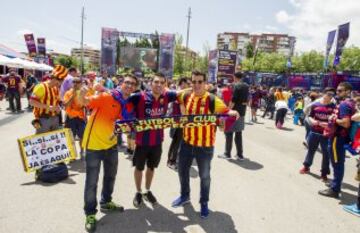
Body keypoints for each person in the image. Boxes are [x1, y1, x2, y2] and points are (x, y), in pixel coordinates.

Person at [172, 70, 239, 219]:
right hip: (187, 142)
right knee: (182, 171)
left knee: (205, 176)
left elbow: (227, 115)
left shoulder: (213, 100)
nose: (196, 85)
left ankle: (204, 202)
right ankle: (184, 196)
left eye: (199, 82)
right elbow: (172, 94)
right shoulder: (185, 95)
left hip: (205, 146)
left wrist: (229, 117)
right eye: (193, 82)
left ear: (205, 83)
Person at [79, 74, 138, 232]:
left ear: (135, 87)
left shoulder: (128, 105)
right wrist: (81, 93)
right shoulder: (107, 96)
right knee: (92, 182)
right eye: (127, 82)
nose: (129, 86)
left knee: (110, 176)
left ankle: (106, 202)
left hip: (111, 145)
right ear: (121, 83)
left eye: (132, 84)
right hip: (94, 146)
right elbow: (85, 102)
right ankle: (90, 213)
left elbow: (124, 125)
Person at [126, 73, 178, 208]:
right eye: (156, 82)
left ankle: (147, 191)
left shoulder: (168, 96)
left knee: (151, 167)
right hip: (141, 142)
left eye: (162, 82)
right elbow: (122, 99)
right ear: (150, 83)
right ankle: (138, 192)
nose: (159, 85)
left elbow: (183, 93)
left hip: (157, 142)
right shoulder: (139, 97)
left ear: (165, 85)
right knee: (139, 168)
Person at [319, 82, 356, 198]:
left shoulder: (345, 105)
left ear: (348, 92)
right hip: (341, 137)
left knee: (337, 164)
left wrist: (333, 119)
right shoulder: (350, 103)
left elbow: (346, 123)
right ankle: (335, 185)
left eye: (340, 91)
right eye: (337, 90)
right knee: (338, 162)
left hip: (337, 138)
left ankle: (335, 189)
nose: (337, 93)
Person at [299, 88, 336, 181]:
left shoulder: (334, 107)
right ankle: (306, 166)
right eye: (328, 94)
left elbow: (335, 120)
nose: (330, 96)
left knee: (326, 154)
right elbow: (310, 116)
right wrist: (313, 121)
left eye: (332, 94)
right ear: (323, 94)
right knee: (311, 150)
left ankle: (324, 173)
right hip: (314, 132)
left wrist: (329, 124)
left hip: (326, 134)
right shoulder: (315, 105)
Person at [218, 72, 249, 160]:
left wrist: (228, 110)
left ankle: (227, 154)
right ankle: (240, 155)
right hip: (242, 112)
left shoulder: (237, 86)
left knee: (229, 133)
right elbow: (246, 99)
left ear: (235, 77)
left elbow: (233, 100)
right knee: (238, 134)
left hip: (234, 113)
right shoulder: (246, 86)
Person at [30, 65, 68, 134]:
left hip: (55, 118)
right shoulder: (41, 87)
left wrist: (59, 107)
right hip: (43, 119)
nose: (61, 84)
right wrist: (48, 107)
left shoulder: (55, 88)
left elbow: (57, 101)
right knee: (42, 140)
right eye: (61, 81)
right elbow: (32, 102)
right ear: (56, 79)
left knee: (54, 141)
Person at [167, 77, 189, 170]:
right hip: (177, 121)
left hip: (182, 121)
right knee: (176, 142)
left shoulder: (184, 94)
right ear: (182, 84)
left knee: (179, 142)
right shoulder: (179, 94)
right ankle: (171, 161)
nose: (188, 85)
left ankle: (174, 159)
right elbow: (182, 109)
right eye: (186, 83)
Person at [63, 77, 87, 160]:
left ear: (81, 83)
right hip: (71, 117)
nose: (76, 83)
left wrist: (86, 117)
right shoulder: (68, 93)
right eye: (74, 82)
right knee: (70, 137)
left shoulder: (83, 92)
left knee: (82, 136)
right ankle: (72, 154)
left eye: (78, 82)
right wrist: (73, 96)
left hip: (80, 117)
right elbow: (65, 105)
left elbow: (86, 105)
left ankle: (82, 152)